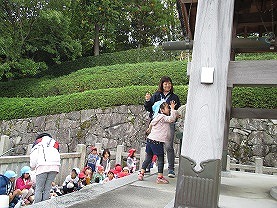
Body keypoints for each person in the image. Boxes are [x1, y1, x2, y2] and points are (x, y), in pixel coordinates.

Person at [144, 76, 181, 178]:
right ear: (162, 84)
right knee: (152, 144)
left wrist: (176, 114)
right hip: (156, 124)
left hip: (169, 124)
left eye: (169, 83)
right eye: (165, 83)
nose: (168, 85)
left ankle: (171, 169)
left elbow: (177, 111)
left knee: (169, 146)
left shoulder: (174, 97)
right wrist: (147, 101)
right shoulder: (156, 95)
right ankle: (146, 167)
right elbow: (149, 108)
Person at [138, 101, 177, 184]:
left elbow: (152, 123)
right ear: (162, 110)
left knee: (148, 158)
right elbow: (172, 119)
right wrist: (173, 108)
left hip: (150, 140)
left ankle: (141, 173)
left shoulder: (157, 116)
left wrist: (149, 129)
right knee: (160, 159)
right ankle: (159, 177)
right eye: (168, 108)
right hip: (157, 142)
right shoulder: (163, 117)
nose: (169, 109)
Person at [30, 133, 60, 203]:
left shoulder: (38, 142)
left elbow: (33, 156)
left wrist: (32, 167)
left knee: (39, 188)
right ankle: (45, 205)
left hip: (42, 166)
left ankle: (37, 206)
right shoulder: (55, 142)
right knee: (47, 188)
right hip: (55, 166)